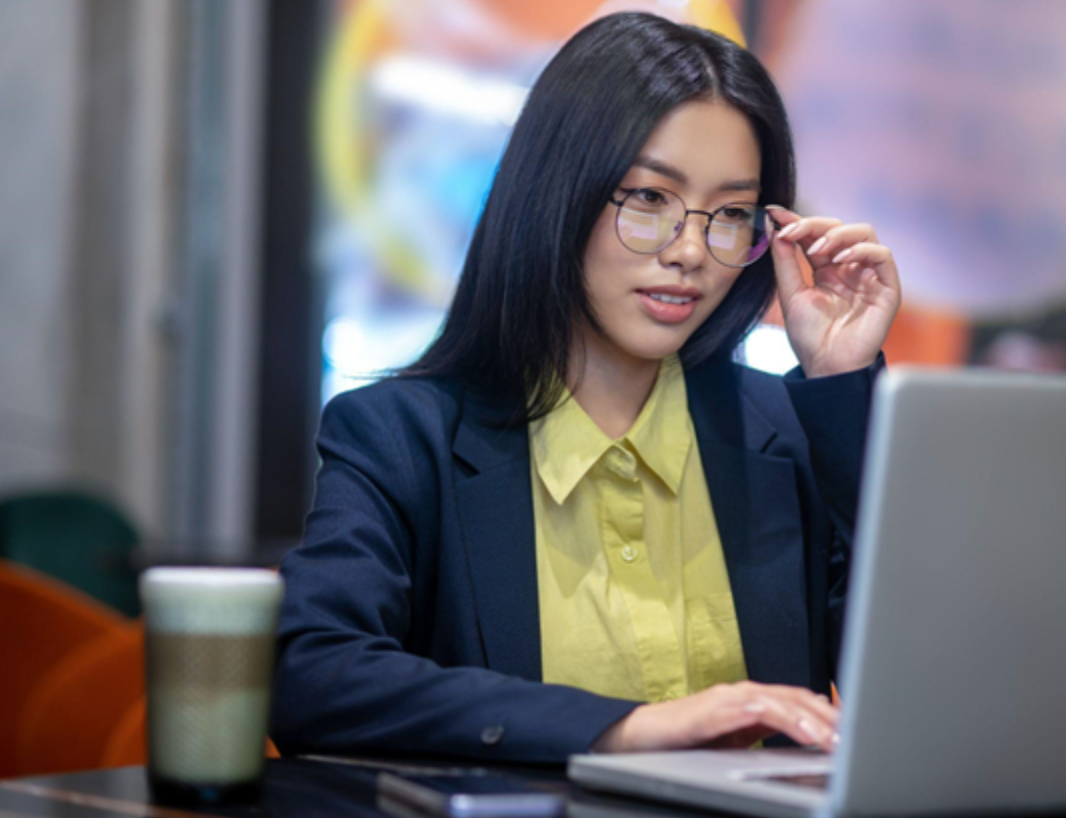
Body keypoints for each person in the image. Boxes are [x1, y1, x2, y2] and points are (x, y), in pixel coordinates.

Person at [271, 12, 901, 764]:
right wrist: (624, 729)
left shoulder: (790, 430)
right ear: (560, 190)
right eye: (647, 199)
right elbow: (311, 677)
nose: (692, 251)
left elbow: (922, 682)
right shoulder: (400, 436)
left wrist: (842, 383)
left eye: (731, 214)